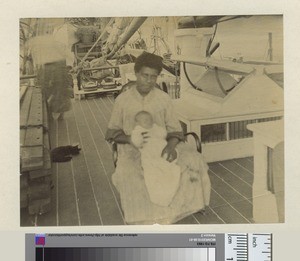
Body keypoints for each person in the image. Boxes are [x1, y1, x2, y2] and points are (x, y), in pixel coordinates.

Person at [105, 52, 211, 224]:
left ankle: (186, 206)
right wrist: (131, 139)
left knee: (193, 159)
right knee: (129, 173)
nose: (148, 80)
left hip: (163, 143)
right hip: (132, 147)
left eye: (153, 77)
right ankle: (144, 216)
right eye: (144, 75)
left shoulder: (163, 99)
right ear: (136, 73)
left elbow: (175, 130)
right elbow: (111, 133)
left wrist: (170, 147)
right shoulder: (123, 101)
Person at [131, 110, 181, 207]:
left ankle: (166, 162)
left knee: (168, 157)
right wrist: (139, 139)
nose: (149, 122)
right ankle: (161, 196)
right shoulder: (138, 130)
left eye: (150, 119)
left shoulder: (155, 127)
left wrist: (157, 130)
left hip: (161, 147)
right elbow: (136, 141)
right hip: (149, 150)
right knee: (152, 166)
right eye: (145, 121)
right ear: (138, 123)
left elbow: (163, 134)